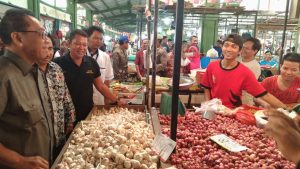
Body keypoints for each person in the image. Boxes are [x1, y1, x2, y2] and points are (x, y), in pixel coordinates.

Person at [0, 9, 54, 168]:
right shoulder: (4, 76)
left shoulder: (34, 71)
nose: (45, 41)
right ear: (18, 38)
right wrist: (19, 161)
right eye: (41, 34)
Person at [54, 29, 125, 124]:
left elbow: (101, 86)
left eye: (84, 45)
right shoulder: (58, 64)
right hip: (65, 116)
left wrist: (115, 100)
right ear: (69, 43)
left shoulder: (91, 62)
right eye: (77, 44)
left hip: (87, 112)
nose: (81, 47)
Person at [200, 34, 287, 109]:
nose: (229, 49)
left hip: (233, 112)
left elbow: (264, 94)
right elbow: (207, 87)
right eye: (226, 45)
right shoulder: (212, 66)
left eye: (234, 47)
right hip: (214, 110)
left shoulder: (245, 72)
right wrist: (208, 104)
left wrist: (286, 109)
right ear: (222, 47)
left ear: (239, 51)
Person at [37, 34, 76, 160]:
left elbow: (65, 95)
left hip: (59, 131)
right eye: (43, 48)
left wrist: (70, 119)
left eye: (50, 48)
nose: (48, 53)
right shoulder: (28, 72)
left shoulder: (56, 69)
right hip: (39, 138)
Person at [85, 26, 114, 105]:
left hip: (99, 99)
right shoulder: (81, 55)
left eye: (101, 39)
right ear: (87, 38)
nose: (98, 41)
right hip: (83, 99)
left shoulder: (105, 56)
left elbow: (107, 80)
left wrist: (106, 98)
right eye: (95, 38)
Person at [240, 37, 262, 105]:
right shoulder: (237, 60)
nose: (243, 50)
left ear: (255, 51)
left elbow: (248, 86)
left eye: (247, 48)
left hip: (244, 102)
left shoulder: (255, 66)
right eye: (243, 47)